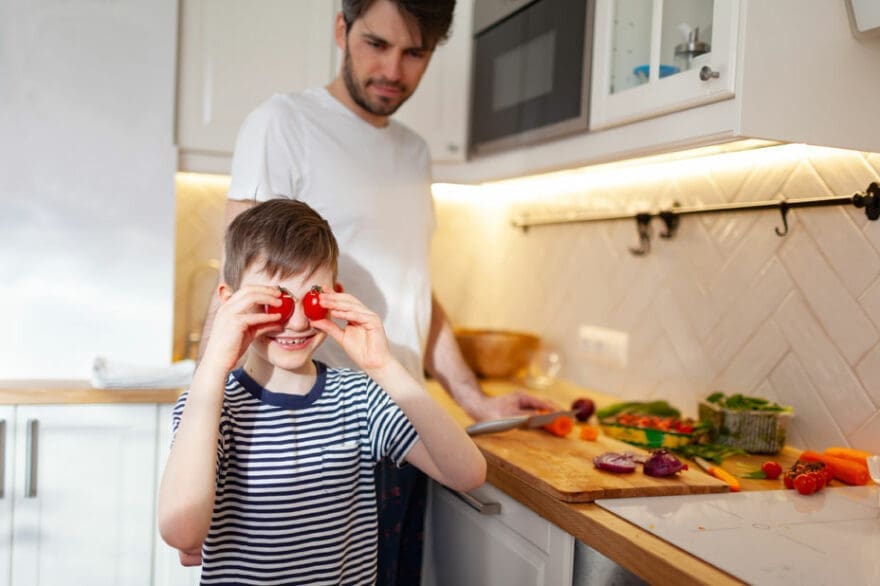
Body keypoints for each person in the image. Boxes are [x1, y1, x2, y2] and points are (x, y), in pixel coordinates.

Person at [197, 0, 557, 581]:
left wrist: (473, 400)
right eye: (376, 44)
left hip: (404, 428)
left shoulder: (413, 152)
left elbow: (416, 288)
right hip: (316, 435)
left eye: (415, 52)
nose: (394, 69)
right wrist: (202, 446)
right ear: (341, 30)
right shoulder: (284, 122)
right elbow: (241, 283)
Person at [158, 199, 486, 585]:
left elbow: (467, 474)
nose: (296, 322)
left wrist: (383, 366)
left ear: (336, 296)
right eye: (274, 301)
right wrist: (213, 367)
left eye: (312, 299)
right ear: (230, 302)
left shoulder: (360, 398)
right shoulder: (212, 406)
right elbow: (181, 532)